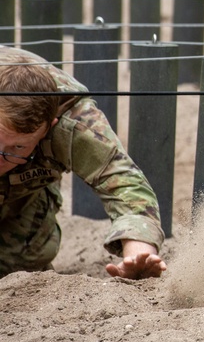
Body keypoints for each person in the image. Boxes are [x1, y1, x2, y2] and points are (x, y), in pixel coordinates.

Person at [0, 46, 166, 279]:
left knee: (18, 268)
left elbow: (122, 181)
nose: (2, 156)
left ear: (49, 128)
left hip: (23, 194)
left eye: (17, 147)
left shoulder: (74, 122)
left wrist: (139, 255)